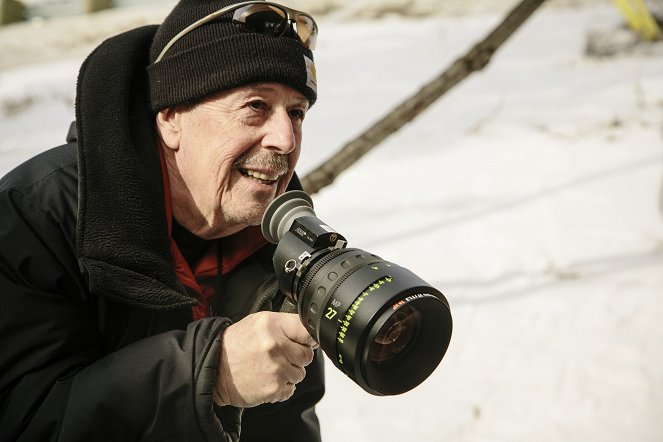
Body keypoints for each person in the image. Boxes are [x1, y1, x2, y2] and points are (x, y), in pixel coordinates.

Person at [0, 0, 325, 440]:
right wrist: (208, 375)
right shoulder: (31, 218)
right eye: (255, 106)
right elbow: (25, 421)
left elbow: (285, 426)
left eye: (296, 112)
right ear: (171, 117)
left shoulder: (282, 244)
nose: (285, 138)